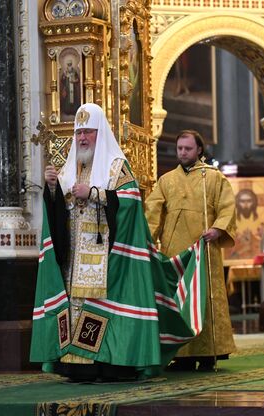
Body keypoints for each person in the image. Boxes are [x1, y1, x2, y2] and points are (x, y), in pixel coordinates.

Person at [31, 104, 207, 381]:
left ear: (100, 132)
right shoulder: (70, 166)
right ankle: (76, 364)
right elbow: (59, 210)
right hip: (74, 256)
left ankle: (107, 363)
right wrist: (53, 188)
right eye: (78, 132)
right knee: (75, 305)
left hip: (107, 256)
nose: (82, 138)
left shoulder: (116, 167)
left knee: (102, 307)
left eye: (88, 131)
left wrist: (94, 193)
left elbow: (131, 200)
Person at [145, 129, 236, 371]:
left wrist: (218, 229)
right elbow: (153, 214)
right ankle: (182, 354)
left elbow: (227, 207)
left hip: (204, 248)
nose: (182, 152)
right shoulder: (165, 181)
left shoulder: (214, 178)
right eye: (179, 148)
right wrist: (147, 240)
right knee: (179, 300)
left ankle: (209, 353)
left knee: (205, 299)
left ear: (199, 150)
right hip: (176, 251)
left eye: (187, 148)